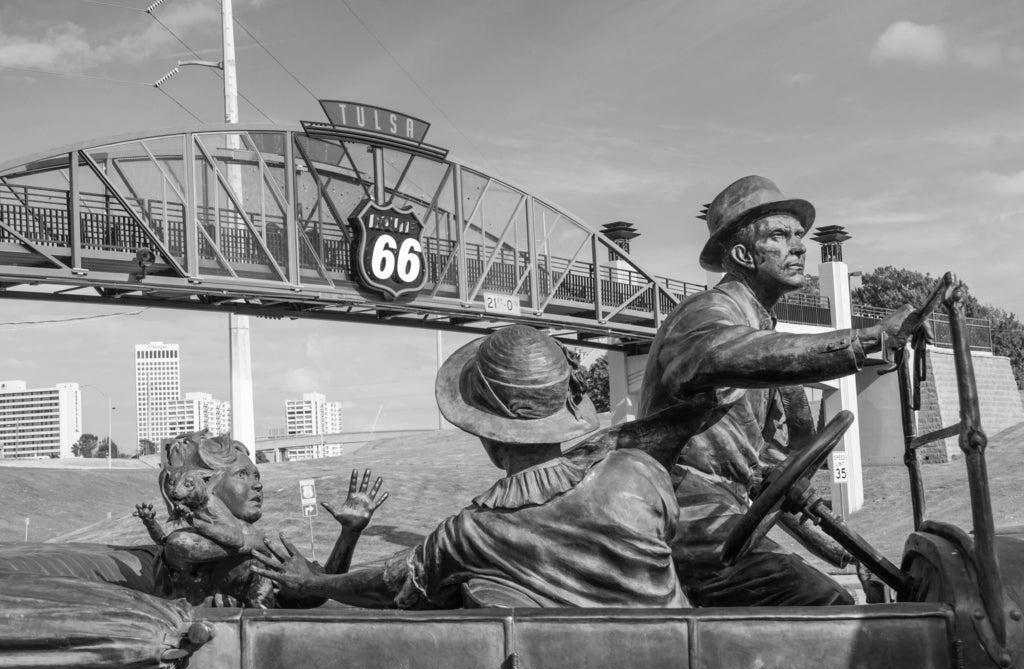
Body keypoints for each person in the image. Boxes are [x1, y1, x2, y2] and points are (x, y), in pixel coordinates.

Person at [252, 325, 687, 609]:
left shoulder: (475, 532)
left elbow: (388, 584)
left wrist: (312, 581)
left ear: (490, 437)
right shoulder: (641, 473)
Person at [639, 175, 926, 607]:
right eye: (779, 235)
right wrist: (866, 341)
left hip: (722, 510)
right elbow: (730, 353)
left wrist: (842, 548)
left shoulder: (758, 325)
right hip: (684, 511)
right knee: (827, 605)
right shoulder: (707, 315)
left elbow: (749, 453)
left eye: (799, 236)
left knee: (838, 593)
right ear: (742, 254)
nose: (798, 247)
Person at [137, 431, 388, 608]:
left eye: (256, 476)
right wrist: (257, 541)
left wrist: (349, 534)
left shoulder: (256, 548)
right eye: (242, 475)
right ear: (207, 484)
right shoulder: (182, 543)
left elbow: (315, 590)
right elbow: (234, 541)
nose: (257, 484)